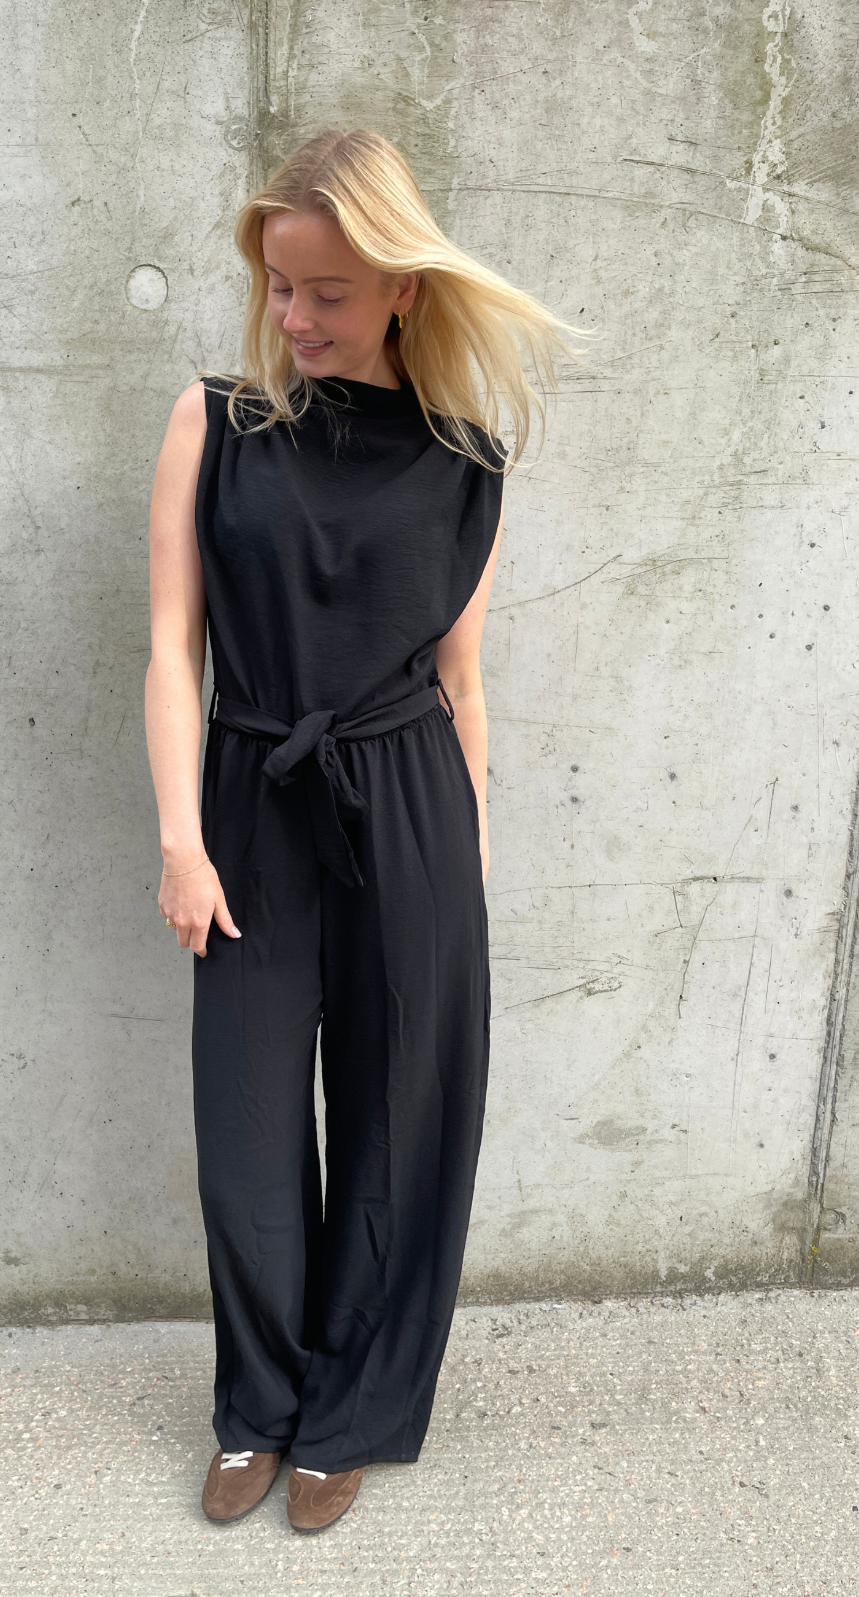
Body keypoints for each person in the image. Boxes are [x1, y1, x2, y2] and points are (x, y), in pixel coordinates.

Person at [144, 127, 577, 1534]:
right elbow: (172, 650)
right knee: (247, 1136)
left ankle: (351, 1415)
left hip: (411, 808)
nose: (295, 316)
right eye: (279, 286)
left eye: (327, 291)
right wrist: (181, 840)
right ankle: (259, 1405)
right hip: (253, 800)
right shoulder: (214, 423)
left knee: (401, 1129)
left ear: (402, 287)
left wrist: (472, 847)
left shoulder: (465, 460)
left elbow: (460, 678)